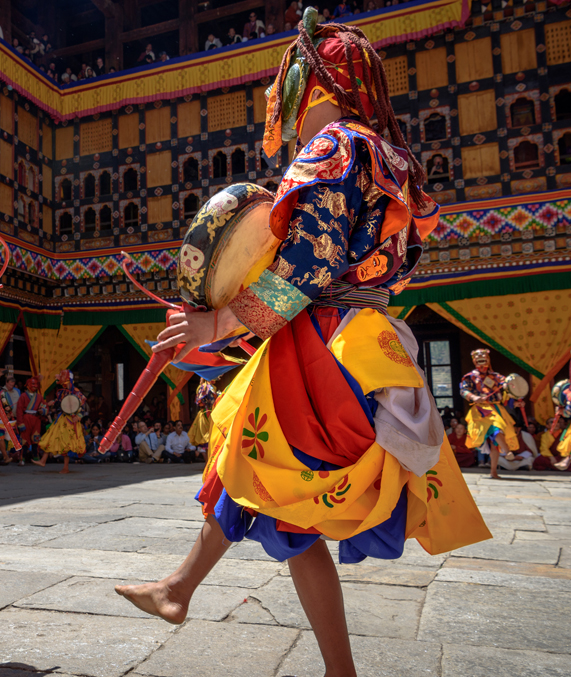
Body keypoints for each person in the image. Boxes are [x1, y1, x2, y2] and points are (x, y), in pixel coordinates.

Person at [115, 15, 490, 676]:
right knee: (279, 505)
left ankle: (179, 589)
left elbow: (307, 263)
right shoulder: (386, 158)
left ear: (310, 85)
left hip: (321, 344)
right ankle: (206, 602)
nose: (280, 109)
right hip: (368, 340)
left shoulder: (334, 149)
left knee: (248, 462)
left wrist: (216, 323)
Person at [460, 348, 522, 479]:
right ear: (474, 361)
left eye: (484, 360)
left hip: (497, 409)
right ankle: (508, 451)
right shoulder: (470, 377)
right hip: (481, 410)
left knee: (495, 443)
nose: (482, 364)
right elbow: (463, 391)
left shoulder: (498, 377)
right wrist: (474, 397)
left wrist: (516, 401)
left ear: (488, 360)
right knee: (496, 428)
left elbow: (507, 392)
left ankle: (493, 471)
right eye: (479, 360)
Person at [34, 370, 85, 473]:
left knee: (66, 443)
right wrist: (52, 403)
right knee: (51, 437)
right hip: (62, 419)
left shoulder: (76, 392)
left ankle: (65, 467)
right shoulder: (62, 391)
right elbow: (60, 403)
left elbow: (82, 407)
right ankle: (43, 460)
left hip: (71, 421)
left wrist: (79, 416)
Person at [16, 376, 45, 450]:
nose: (35, 386)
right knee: (24, 438)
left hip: (36, 419)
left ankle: (35, 456)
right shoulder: (23, 396)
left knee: (36, 437)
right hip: (26, 419)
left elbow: (45, 406)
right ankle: (22, 458)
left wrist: (43, 410)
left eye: (36, 384)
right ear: (28, 384)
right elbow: (19, 410)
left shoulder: (39, 397)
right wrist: (20, 423)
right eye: (33, 384)